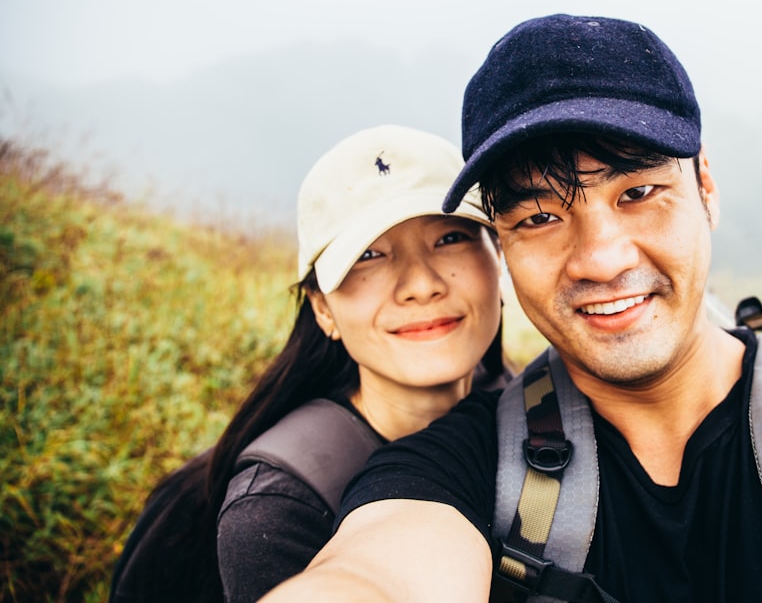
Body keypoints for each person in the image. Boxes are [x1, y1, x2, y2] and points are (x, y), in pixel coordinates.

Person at [262, 15, 762, 602]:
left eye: (639, 191)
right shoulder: (462, 469)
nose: (602, 257)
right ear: (503, 248)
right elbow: (376, 573)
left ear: (707, 191)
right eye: (540, 217)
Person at [110, 125, 507, 603]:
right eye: (370, 255)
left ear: (499, 257)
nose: (421, 284)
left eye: (451, 238)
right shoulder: (280, 505)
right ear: (321, 307)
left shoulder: (538, 403)